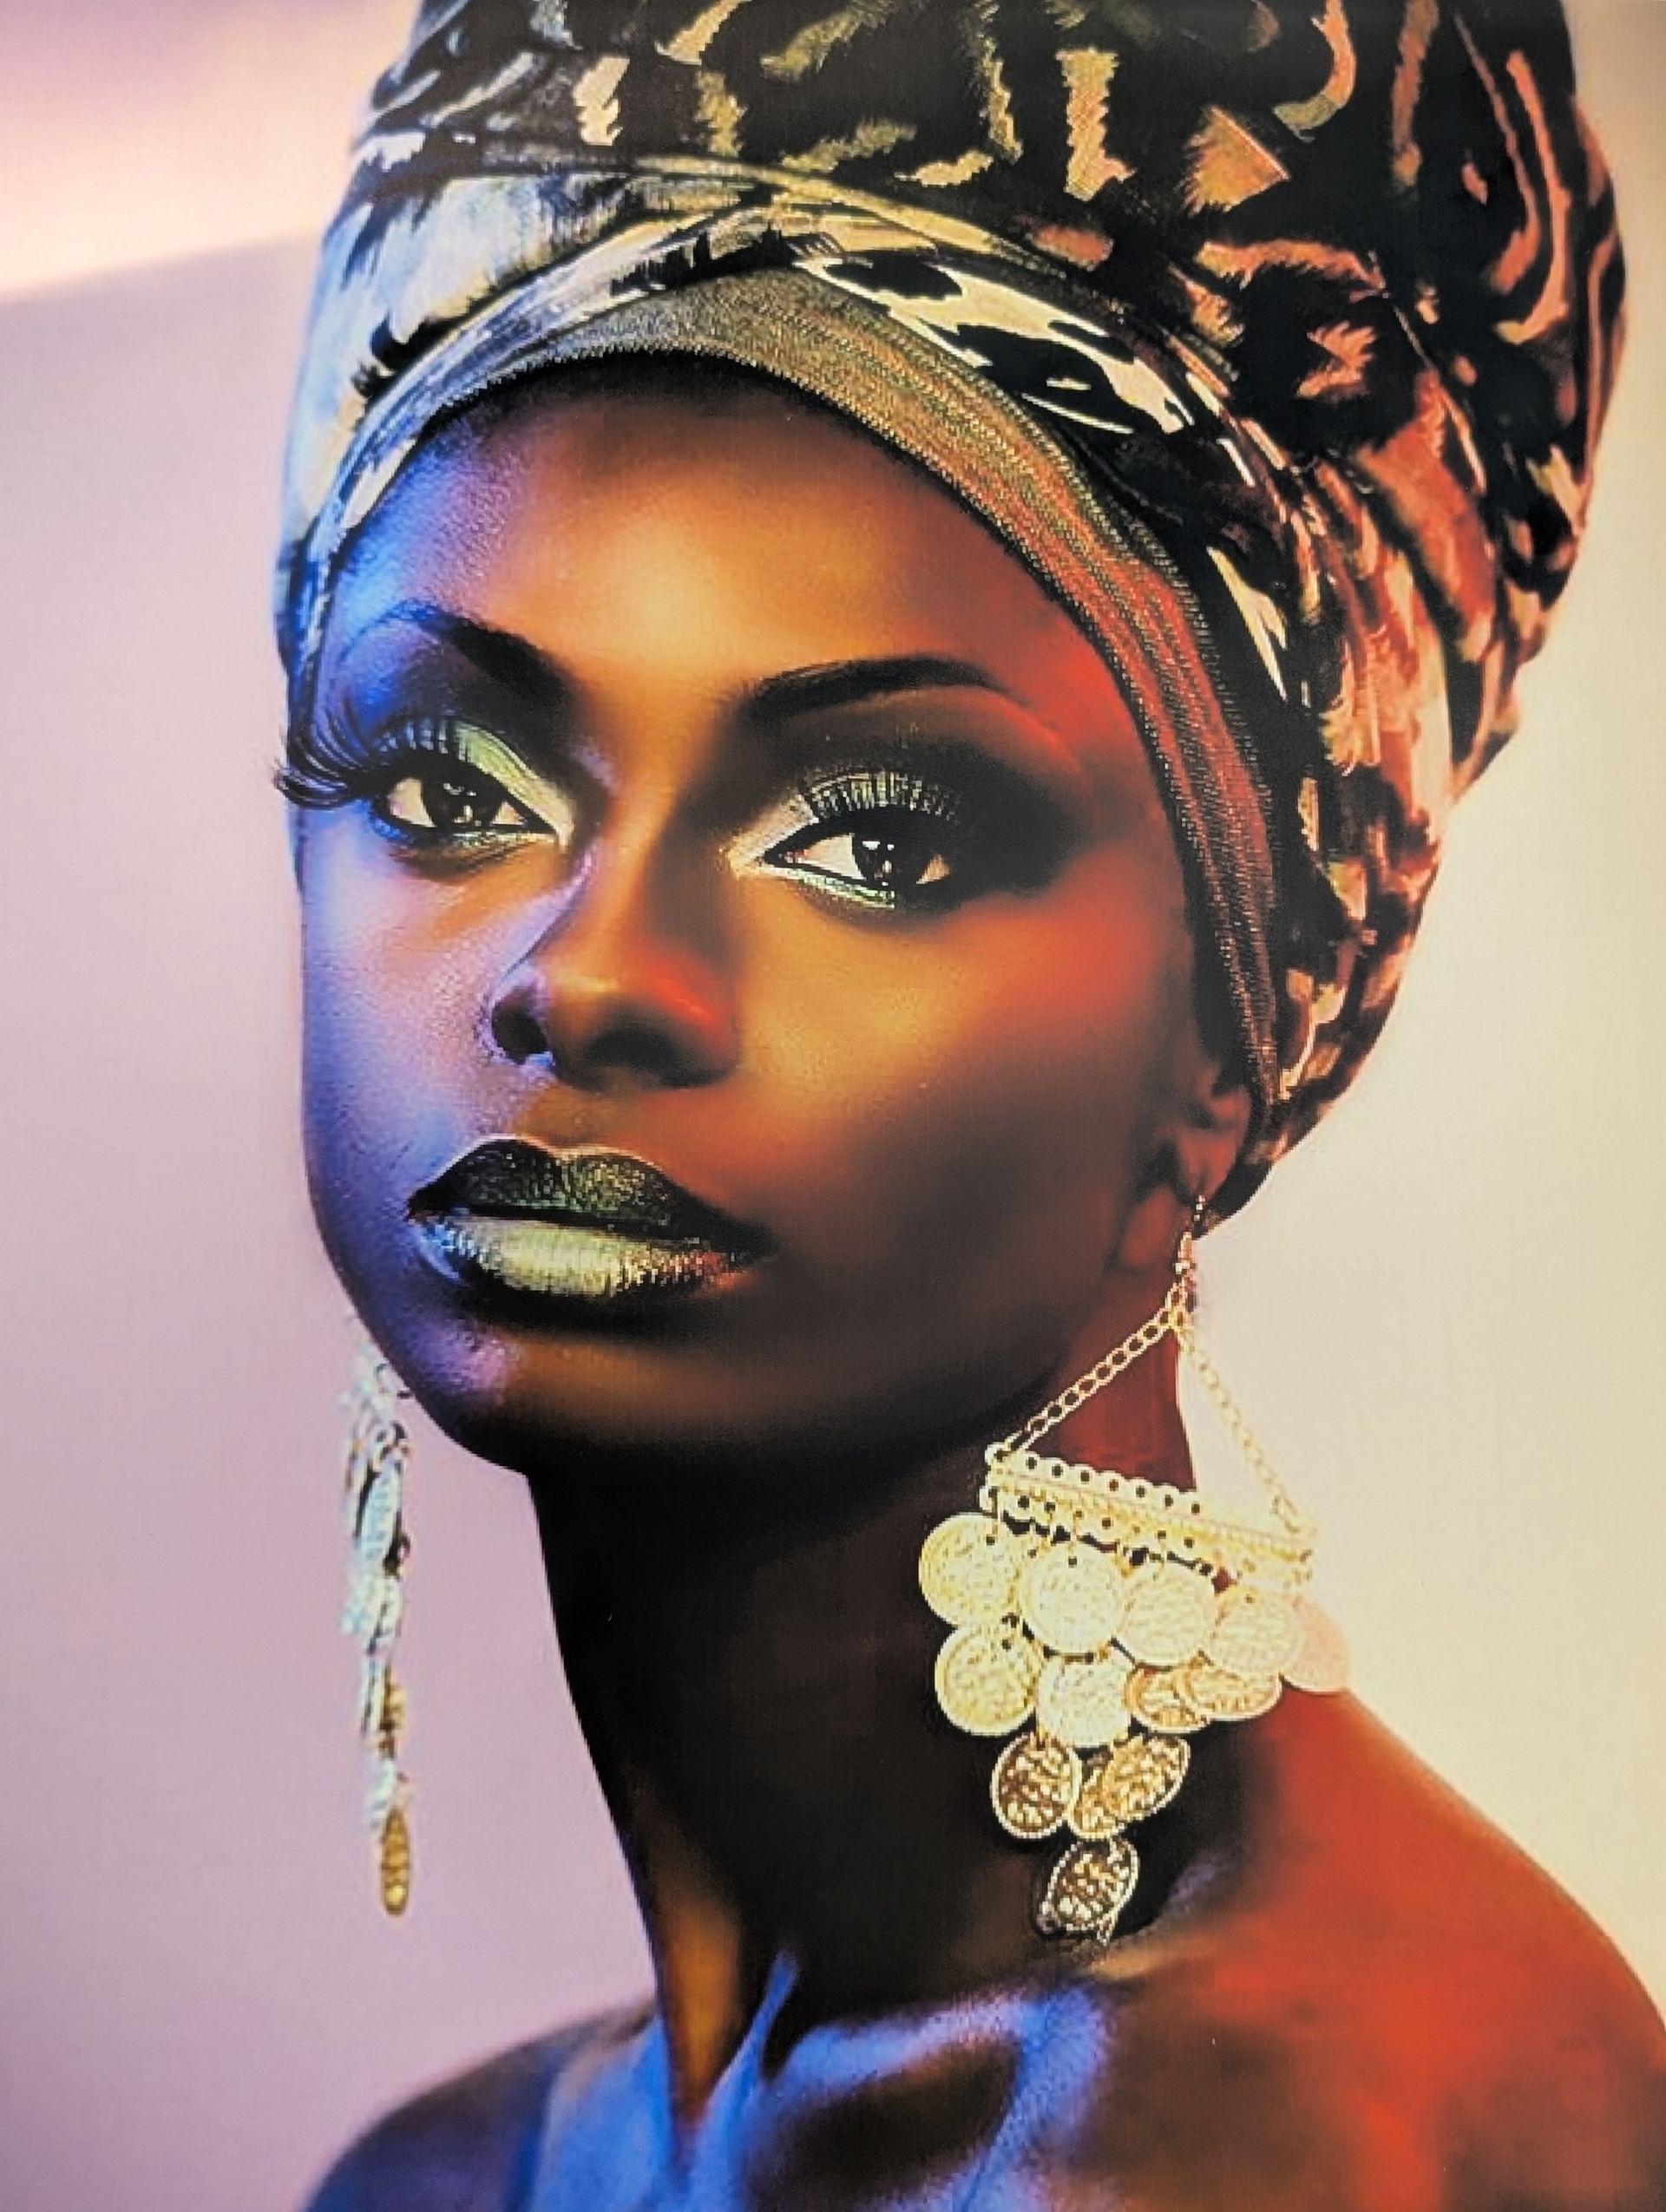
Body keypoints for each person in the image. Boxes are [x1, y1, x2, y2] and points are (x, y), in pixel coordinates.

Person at [279, 2, 1665, 2203]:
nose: (590, 973)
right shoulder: (458, 2166)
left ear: (1243, 1027)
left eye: (877, 836)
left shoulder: (1248, 2143)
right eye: (455, 782)